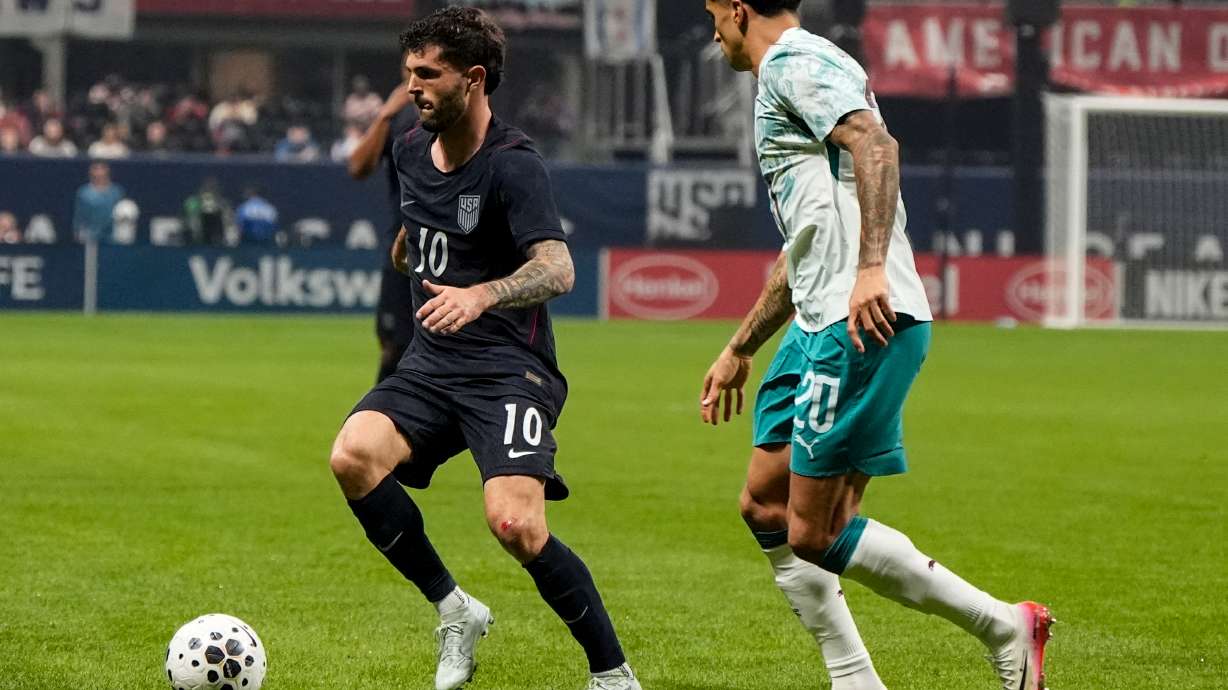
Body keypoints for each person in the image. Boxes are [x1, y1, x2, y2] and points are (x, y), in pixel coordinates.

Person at [696, 2, 1054, 690]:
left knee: (816, 532)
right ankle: (855, 678)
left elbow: (878, 147)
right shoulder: (799, 71)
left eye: (714, 13)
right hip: (816, 319)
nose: (713, 32)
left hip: (857, 318)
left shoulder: (794, 62)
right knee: (764, 503)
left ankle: (1006, 626)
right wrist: (740, 345)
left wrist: (869, 270)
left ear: (739, 9)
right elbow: (807, 241)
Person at [328, 8, 641, 690]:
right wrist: (411, 251)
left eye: (427, 74)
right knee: (352, 455)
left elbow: (558, 269)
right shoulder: (410, 149)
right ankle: (455, 610)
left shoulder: (513, 164)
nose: (412, 87)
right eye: (408, 73)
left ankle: (613, 674)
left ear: (473, 78)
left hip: (509, 372)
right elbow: (416, 231)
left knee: (516, 525)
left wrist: (481, 294)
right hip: (430, 366)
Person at [347, 67, 420, 382]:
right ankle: (384, 410)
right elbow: (358, 166)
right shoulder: (399, 115)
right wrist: (385, 115)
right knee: (394, 344)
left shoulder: (457, 114)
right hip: (402, 248)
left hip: (450, 249)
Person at [72, 162, 125, 243]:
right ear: (90, 172)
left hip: (113, 236)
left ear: (108, 171)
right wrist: (77, 232)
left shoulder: (117, 191)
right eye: (96, 168)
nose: (99, 172)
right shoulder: (83, 192)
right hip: (90, 235)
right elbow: (79, 216)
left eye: (102, 168)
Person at [184, 177, 232, 246]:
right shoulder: (193, 202)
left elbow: (228, 221)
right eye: (207, 187)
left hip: (218, 241)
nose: (210, 190)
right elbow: (191, 222)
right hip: (197, 242)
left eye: (213, 188)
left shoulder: (223, 204)